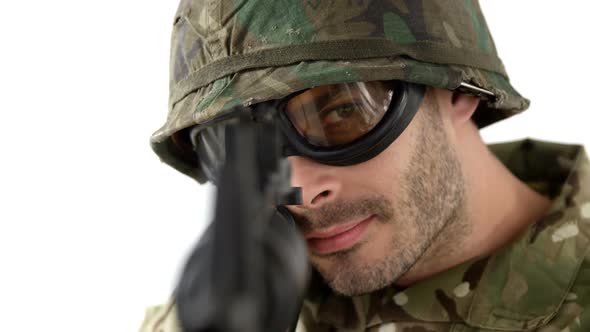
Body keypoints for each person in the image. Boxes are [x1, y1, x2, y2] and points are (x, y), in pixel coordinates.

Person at [140, 0, 590, 331]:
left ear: (461, 91)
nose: (300, 191)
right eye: (243, 148)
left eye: (340, 113)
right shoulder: (237, 307)